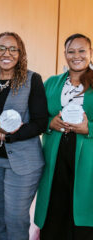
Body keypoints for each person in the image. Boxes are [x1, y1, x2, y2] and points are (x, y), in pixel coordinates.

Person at [0, 32, 48, 240]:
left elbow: (40, 122)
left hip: (24, 163)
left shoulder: (32, 80)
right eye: (1, 48)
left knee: (16, 219)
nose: (6, 53)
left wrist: (6, 137)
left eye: (12, 49)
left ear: (20, 53)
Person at [34, 33, 93, 239]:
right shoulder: (51, 83)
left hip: (87, 161)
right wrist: (49, 123)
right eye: (71, 51)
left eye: (82, 50)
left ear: (91, 53)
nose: (76, 55)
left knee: (82, 217)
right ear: (65, 55)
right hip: (55, 157)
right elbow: (36, 116)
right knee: (54, 214)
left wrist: (89, 129)